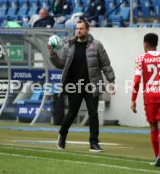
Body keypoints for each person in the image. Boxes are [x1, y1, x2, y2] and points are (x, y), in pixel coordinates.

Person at [47, 19, 116, 152]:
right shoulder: (69, 45)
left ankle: (94, 143)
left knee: (93, 114)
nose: (79, 31)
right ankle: (62, 135)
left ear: (87, 30)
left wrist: (111, 81)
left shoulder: (96, 45)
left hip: (92, 85)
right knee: (72, 113)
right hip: (74, 86)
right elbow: (61, 64)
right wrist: (52, 53)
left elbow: (105, 64)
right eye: (77, 28)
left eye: (81, 28)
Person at [131, 33, 160, 167]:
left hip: (150, 96)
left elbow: (137, 81)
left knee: (153, 126)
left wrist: (133, 99)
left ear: (145, 44)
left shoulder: (141, 58)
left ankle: (157, 157)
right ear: (156, 43)